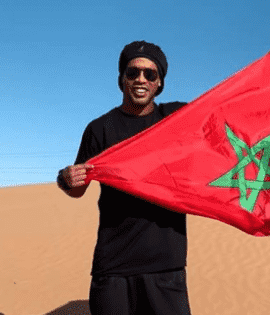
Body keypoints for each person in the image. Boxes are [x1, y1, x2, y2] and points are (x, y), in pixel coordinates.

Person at [57, 40, 190, 315]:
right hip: (113, 266)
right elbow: (78, 188)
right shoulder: (100, 129)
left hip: (165, 267)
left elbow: (229, 108)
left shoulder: (176, 118)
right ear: (121, 79)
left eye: (150, 74)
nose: (141, 79)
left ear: (160, 83)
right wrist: (65, 179)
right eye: (133, 73)